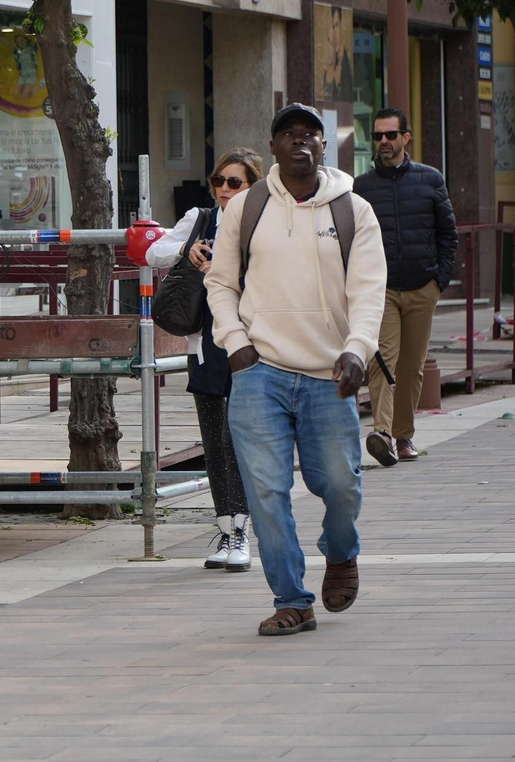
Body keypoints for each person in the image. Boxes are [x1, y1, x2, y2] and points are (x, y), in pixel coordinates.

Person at [205, 104, 387, 637]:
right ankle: (292, 599)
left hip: (330, 374)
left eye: (310, 134)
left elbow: (369, 289)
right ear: (275, 146)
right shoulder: (247, 207)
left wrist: (357, 348)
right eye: (289, 134)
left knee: (340, 485)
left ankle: (341, 550)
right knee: (265, 492)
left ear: (324, 146)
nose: (300, 142)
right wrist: (235, 342)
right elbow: (220, 282)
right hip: (259, 372)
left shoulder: (353, 211)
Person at [145, 147, 264, 573]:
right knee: (214, 441)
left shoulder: (265, 223)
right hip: (207, 345)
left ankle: (244, 530)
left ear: (254, 186)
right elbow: (151, 254)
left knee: (242, 441)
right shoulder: (201, 218)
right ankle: (227, 529)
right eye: (220, 181)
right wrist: (188, 251)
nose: (226, 190)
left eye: (236, 182)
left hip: (254, 346)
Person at [353, 108, 457, 468]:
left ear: (405, 138)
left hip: (421, 287)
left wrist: (438, 281)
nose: (384, 142)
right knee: (383, 360)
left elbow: (448, 234)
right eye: (378, 136)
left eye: (391, 135)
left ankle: (404, 436)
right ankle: (382, 434)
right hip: (380, 290)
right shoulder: (362, 187)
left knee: (412, 367)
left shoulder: (430, 180)